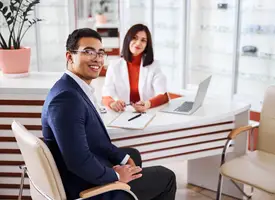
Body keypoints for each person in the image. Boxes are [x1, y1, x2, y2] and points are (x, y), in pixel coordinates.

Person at [41, 28, 176, 200]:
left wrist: (122, 158)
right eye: (88, 52)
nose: (97, 58)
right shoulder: (66, 99)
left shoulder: (71, 87)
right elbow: (78, 162)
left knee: (132, 155)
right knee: (166, 177)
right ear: (69, 57)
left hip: (85, 172)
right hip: (85, 187)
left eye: (100, 53)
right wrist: (116, 176)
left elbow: (95, 141)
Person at [102, 24, 169, 113]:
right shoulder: (114, 66)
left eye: (143, 40)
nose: (138, 43)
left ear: (147, 45)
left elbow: (164, 96)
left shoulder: (154, 65)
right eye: (134, 38)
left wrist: (148, 104)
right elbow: (106, 95)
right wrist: (112, 103)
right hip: (122, 113)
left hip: (147, 113)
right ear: (128, 39)